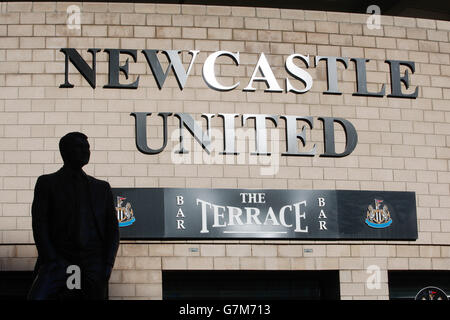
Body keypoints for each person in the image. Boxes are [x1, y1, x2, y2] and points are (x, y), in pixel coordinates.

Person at [28, 132, 119, 300]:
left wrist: (107, 264)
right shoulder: (47, 183)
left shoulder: (101, 188)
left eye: (87, 148)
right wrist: (52, 259)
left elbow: (113, 230)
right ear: (65, 151)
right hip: (59, 261)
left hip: (92, 264)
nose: (86, 151)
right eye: (80, 147)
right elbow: (39, 224)